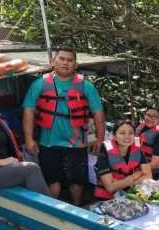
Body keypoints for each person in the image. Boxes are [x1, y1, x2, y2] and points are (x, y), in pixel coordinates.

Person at [22, 47, 105, 205]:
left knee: (77, 180)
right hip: (48, 142)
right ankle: (53, 207)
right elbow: (28, 111)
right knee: (52, 178)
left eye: (70, 60)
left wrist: (100, 139)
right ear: (53, 61)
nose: (65, 63)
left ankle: (77, 205)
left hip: (76, 143)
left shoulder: (86, 86)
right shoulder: (39, 84)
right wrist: (28, 139)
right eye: (62, 59)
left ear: (75, 65)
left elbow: (98, 113)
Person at [93, 120, 152, 200]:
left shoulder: (137, 148)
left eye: (131, 133)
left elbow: (148, 176)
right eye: (122, 133)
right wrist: (133, 177)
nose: (127, 136)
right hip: (107, 199)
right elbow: (110, 187)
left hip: (129, 195)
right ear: (114, 136)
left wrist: (120, 184)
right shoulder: (104, 151)